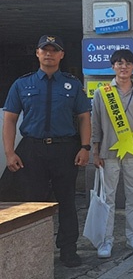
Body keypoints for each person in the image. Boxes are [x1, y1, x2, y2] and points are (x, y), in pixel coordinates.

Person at [2, 35, 90, 267]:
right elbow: (9, 120)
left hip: (65, 150)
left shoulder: (72, 84)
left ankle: (68, 251)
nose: (49, 54)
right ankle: (33, 250)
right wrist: (10, 153)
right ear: (37, 53)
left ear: (62, 55)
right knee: (32, 204)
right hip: (32, 150)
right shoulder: (22, 84)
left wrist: (85, 146)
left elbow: (84, 117)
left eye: (54, 50)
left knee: (67, 201)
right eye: (45, 50)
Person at [91, 49, 133, 258]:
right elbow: (95, 123)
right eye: (119, 63)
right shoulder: (102, 92)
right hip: (108, 152)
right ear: (112, 66)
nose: (123, 67)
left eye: (127, 63)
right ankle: (106, 241)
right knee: (108, 197)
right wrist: (95, 152)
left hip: (132, 152)